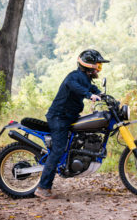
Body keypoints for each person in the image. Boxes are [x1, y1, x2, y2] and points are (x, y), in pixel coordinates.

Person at [34, 49, 109, 199]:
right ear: (89, 67)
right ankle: (42, 187)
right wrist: (89, 95)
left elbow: (92, 88)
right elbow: (74, 86)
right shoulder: (74, 77)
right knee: (58, 150)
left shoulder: (85, 79)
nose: (98, 69)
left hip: (69, 117)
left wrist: (102, 95)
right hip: (59, 117)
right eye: (97, 66)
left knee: (69, 145)